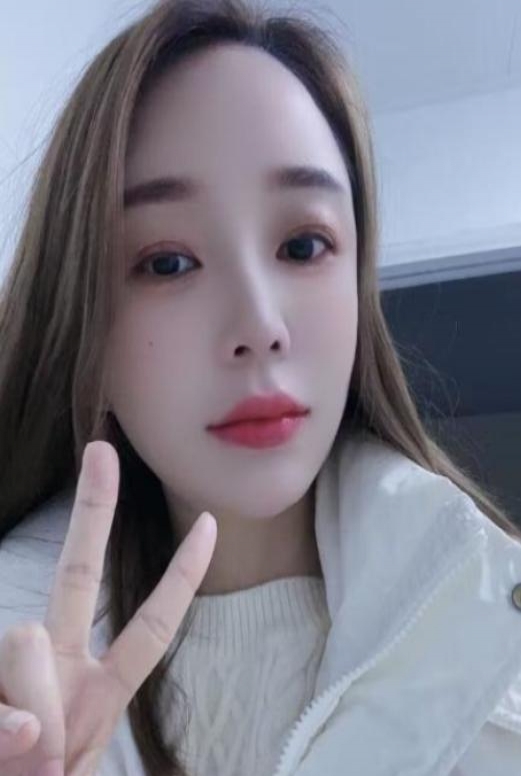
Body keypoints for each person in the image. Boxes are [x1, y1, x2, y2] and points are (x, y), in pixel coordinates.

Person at [0, 0, 520, 774]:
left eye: (303, 245)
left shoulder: (499, 652)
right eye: (167, 263)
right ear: (85, 328)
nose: (258, 324)